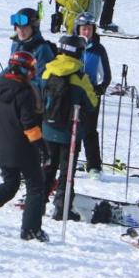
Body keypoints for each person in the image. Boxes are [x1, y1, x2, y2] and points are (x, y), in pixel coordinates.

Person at [0, 50, 50, 242]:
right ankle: (31, 229)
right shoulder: (24, 92)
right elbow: (29, 125)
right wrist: (43, 148)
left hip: (2, 144)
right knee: (35, 186)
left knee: (11, 183)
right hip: (23, 147)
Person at [41, 35, 98, 218]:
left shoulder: (47, 71)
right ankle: (62, 208)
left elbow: (39, 95)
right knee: (67, 172)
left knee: (48, 167)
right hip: (70, 132)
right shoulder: (80, 77)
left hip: (48, 129)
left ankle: (38, 203)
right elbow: (92, 103)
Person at [74, 13, 112, 177]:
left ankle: (94, 166)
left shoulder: (98, 49)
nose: (86, 32)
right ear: (78, 29)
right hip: (73, 94)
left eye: (89, 29)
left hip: (90, 96)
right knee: (71, 130)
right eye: (84, 29)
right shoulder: (71, 46)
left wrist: (100, 89)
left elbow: (106, 75)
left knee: (89, 130)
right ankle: (69, 162)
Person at [10, 7, 56, 90]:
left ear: (34, 28)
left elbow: (43, 80)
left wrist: (21, 83)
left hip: (32, 95)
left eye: (25, 27)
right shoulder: (16, 44)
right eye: (18, 27)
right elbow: (11, 67)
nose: (21, 31)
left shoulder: (42, 49)